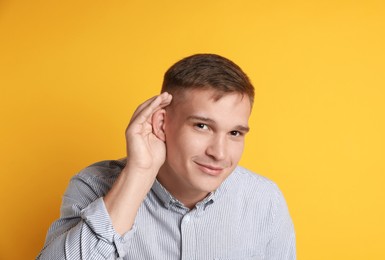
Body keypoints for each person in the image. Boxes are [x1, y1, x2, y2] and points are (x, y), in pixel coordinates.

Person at [37, 54, 296, 260]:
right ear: (161, 122)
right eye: (202, 126)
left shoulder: (264, 201)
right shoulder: (93, 185)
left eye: (235, 133)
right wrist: (138, 174)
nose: (219, 153)